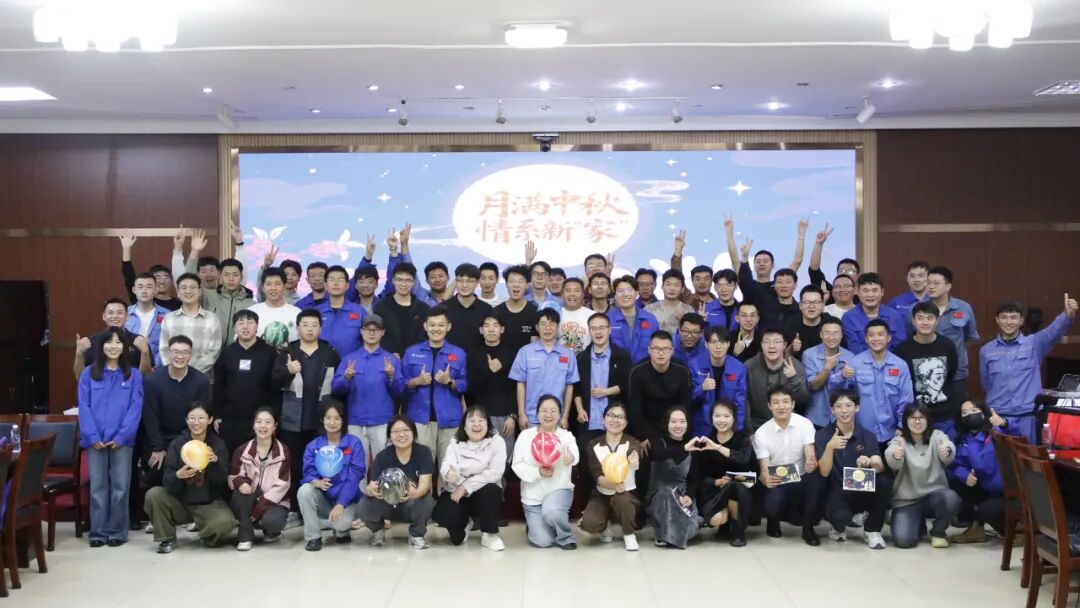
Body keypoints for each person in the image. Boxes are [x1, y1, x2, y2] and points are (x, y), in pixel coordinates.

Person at [980, 294, 1078, 442]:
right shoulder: (986, 351)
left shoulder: (1034, 344)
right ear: (997, 320)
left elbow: (1054, 331)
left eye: (1013, 317)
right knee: (999, 456)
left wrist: (1067, 315)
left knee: (1029, 455)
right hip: (998, 415)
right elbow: (986, 382)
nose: (1008, 322)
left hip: (1028, 417)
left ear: (1021, 321)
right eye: (1004, 317)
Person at [78, 328, 143, 547]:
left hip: (122, 441)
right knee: (97, 487)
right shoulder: (88, 374)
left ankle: (117, 531)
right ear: (101, 346)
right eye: (109, 342)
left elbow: (135, 407)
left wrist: (123, 436)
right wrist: (92, 435)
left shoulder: (134, 375)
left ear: (125, 347)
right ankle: (97, 532)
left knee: (120, 487)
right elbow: (84, 407)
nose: (113, 346)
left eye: (118, 342)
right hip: (94, 439)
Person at [144, 401, 236, 553]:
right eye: (192, 418)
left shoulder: (217, 444)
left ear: (210, 420)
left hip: (208, 504)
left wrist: (215, 463)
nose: (196, 422)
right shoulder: (177, 444)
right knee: (154, 495)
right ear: (186, 420)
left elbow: (223, 480)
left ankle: (206, 534)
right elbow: (167, 480)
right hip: (181, 502)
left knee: (225, 523)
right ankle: (167, 538)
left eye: (201, 418)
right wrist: (178, 475)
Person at [273, 309, 340, 509]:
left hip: (321, 421)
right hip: (293, 421)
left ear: (320, 328)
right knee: (294, 465)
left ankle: (321, 509)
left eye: (314, 325)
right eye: (305, 325)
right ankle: (295, 508)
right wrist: (288, 371)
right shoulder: (287, 352)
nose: (309, 329)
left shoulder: (330, 353)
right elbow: (273, 382)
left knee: (322, 466)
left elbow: (338, 387)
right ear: (298, 327)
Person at [813, 390, 890, 549]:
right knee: (840, 517)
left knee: (884, 482)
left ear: (857, 408)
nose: (844, 410)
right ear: (832, 410)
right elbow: (824, 472)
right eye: (839, 406)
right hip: (836, 491)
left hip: (861, 488)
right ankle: (838, 526)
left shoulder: (868, 435)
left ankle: (872, 530)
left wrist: (872, 462)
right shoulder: (823, 435)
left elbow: (880, 466)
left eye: (848, 405)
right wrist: (829, 448)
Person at [431, 405, 507, 551]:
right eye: (471, 420)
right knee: (445, 518)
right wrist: (449, 474)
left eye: (481, 420)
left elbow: (494, 473)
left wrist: (466, 487)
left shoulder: (497, 442)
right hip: (456, 490)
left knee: (491, 489)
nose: (476, 424)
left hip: (483, 492)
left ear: (488, 424)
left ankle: (489, 534)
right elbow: (447, 465)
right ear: (464, 426)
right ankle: (465, 524)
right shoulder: (455, 443)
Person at [332, 314, 404, 466]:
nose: (371, 333)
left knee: (384, 467)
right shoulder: (349, 359)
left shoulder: (391, 360)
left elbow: (400, 391)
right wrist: (346, 377)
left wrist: (391, 376)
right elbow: (336, 389)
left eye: (376, 329)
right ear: (361, 331)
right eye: (367, 329)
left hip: (382, 422)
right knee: (357, 468)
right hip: (355, 422)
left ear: (382, 333)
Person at [753, 387, 821, 545]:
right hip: (778, 481)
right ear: (769, 406)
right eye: (776, 402)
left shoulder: (804, 424)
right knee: (772, 503)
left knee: (816, 481)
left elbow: (810, 454)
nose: (781, 406)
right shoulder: (761, 433)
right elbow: (764, 469)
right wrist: (766, 479)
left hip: (801, 477)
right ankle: (773, 519)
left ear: (793, 404)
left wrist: (811, 463)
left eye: (785, 402)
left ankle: (808, 528)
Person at [887, 403, 961, 548]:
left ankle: (938, 531)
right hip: (906, 502)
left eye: (921, 417)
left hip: (934, 496)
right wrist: (895, 455)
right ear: (906, 421)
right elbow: (892, 459)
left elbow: (948, 448)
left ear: (928, 420)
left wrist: (947, 450)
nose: (917, 422)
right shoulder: (899, 440)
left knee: (951, 498)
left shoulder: (937, 436)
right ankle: (918, 525)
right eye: (912, 418)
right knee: (903, 541)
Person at [141, 336, 211, 490]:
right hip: (160, 438)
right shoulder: (153, 381)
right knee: (156, 470)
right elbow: (150, 416)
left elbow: (201, 417)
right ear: (168, 353)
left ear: (191, 355)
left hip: (188, 438)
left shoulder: (201, 381)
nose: (180, 356)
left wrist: (194, 444)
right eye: (176, 352)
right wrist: (158, 448)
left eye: (185, 352)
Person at [297, 399, 366, 550]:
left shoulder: (354, 443)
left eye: (337, 418)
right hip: (326, 500)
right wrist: (315, 481)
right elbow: (307, 473)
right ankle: (313, 537)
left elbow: (354, 478)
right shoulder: (313, 446)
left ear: (343, 421)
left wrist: (341, 503)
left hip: (349, 502)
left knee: (340, 524)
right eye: (328, 418)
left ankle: (339, 527)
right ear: (322, 420)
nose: (332, 422)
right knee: (304, 491)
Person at [512, 395, 580, 549]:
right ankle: (534, 526)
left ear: (560, 414)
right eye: (544, 410)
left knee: (552, 511)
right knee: (543, 542)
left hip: (558, 489)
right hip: (533, 497)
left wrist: (571, 457)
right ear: (537, 414)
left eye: (553, 411)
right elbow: (517, 465)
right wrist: (538, 473)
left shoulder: (566, 436)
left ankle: (565, 537)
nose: (548, 415)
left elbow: (575, 456)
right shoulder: (525, 436)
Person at [358, 415, 436, 549]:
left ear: (413, 432)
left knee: (426, 500)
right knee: (364, 505)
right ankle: (377, 531)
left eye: (406, 430)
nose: (401, 435)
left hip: (411, 504)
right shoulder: (382, 456)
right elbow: (372, 486)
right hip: (386, 503)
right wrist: (370, 491)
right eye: (396, 431)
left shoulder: (423, 452)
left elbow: (424, 484)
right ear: (390, 435)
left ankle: (416, 535)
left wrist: (416, 493)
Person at [402, 306, 468, 463]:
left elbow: (465, 384)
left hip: (450, 419)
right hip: (419, 419)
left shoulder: (458, 353)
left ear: (448, 327)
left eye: (441, 325)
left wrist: (449, 381)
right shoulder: (411, 352)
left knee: (450, 466)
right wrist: (416, 381)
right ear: (425, 326)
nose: (436, 329)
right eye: (432, 325)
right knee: (422, 466)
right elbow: (400, 385)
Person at [948, 398, 1018, 544]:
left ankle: (1018, 532)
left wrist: (1004, 423)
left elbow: (1016, 434)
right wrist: (965, 476)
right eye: (964, 413)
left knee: (988, 509)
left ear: (984, 412)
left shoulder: (997, 430)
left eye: (974, 410)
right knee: (956, 481)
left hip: (1011, 491)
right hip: (987, 490)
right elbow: (957, 465)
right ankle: (977, 528)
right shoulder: (963, 440)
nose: (970, 415)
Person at [580, 402, 643, 551]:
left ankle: (629, 534)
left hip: (625, 494)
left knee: (623, 499)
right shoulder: (593, 444)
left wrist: (634, 457)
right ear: (603, 419)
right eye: (611, 415)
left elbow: (634, 451)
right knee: (590, 523)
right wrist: (613, 485)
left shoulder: (632, 442)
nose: (615, 420)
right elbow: (597, 475)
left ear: (626, 423)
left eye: (620, 417)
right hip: (602, 493)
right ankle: (604, 525)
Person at [213, 309, 278, 453]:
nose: (245, 327)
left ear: (257, 326)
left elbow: (275, 388)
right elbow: (219, 386)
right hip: (231, 419)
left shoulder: (269, 353)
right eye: (240, 323)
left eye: (250, 322)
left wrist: (274, 416)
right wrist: (217, 415)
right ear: (234, 328)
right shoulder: (227, 353)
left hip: (260, 420)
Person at [227, 408, 291, 551]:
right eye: (259, 422)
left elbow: (282, 484)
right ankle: (245, 537)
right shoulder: (242, 450)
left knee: (272, 522)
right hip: (249, 497)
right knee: (241, 495)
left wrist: (258, 510)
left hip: (275, 501)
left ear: (275, 426)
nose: (263, 426)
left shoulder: (283, 451)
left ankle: (271, 532)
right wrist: (242, 483)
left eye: (268, 422)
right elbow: (233, 476)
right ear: (253, 425)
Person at [894, 301, 960, 437]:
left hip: (944, 415)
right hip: (916, 415)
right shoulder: (902, 350)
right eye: (920, 318)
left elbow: (951, 373)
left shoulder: (947, 345)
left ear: (937, 321)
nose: (925, 323)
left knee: (945, 449)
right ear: (913, 321)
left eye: (930, 318)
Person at [696, 399, 754, 547]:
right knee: (716, 517)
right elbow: (700, 477)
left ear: (734, 418)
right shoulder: (705, 442)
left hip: (742, 492)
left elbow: (743, 459)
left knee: (734, 487)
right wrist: (718, 482)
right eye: (717, 416)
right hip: (716, 492)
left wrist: (718, 447)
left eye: (726, 416)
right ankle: (724, 526)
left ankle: (738, 531)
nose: (721, 420)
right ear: (711, 418)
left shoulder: (743, 439)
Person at [510, 308, 580, 429]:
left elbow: (569, 387)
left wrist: (565, 416)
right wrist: (521, 414)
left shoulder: (568, 354)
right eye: (543, 324)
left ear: (558, 327)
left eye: (552, 324)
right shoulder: (525, 352)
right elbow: (520, 384)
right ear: (537, 327)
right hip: (531, 417)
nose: (547, 328)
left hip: (557, 418)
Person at [850, 320, 915, 446]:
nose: (876, 338)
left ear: (888, 338)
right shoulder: (855, 363)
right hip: (862, 432)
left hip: (893, 433)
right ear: (866, 339)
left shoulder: (900, 365)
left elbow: (906, 399)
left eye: (880, 334)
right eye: (871, 335)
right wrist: (841, 376)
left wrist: (901, 426)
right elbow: (841, 394)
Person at [626, 331, 694, 451]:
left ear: (672, 351)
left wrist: (679, 433)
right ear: (649, 350)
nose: (661, 353)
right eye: (656, 349)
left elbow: (685, 406)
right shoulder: (637, 371)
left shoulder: (682, 371)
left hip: (673, 425)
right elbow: (634, 409)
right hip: (646, 426)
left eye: (665, 349)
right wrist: (641, 436)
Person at [646, 407, 701, 549]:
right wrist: (684, 448)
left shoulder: (693, 446)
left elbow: (694, 477)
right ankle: (664, 535)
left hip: (682, 493)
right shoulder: (657, 441)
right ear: (667, 423)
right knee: (666, 493)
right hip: (659, 493)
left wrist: (689, 495)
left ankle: (677, 532)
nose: (678, 425)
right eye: (674, 421)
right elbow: (658, 454)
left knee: (692, 526)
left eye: (682, 421)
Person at [467, 313, 517, 459]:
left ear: (502, 329)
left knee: (503, 460)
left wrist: (513, 416)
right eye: (487, 325)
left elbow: (516, 387)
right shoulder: (473, 353)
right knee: (480, 459)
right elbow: (470, 388)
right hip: (481, 416)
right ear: (481, 330)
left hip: (505, 416)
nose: (491, 329)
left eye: (495, 325)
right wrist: (490, 372)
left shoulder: (512, 352)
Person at [926, 266, 979, 399]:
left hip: (956, 373)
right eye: (929, 283)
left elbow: (971, 337)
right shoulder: (918, 309)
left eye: (936, 283)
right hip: (927, 372)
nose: (931, 287)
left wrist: (957, 351)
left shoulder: (964, 308)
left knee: (956, 408)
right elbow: (912, 335)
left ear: (948, 286)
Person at [744, 328, 811, 432]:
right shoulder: (750, 366)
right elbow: (745, 400)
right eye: (767, 342)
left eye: (777, 342)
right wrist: (748, 430)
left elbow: (803, 400)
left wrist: (794, 378)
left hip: (788, 424)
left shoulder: (795, 365)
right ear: (761, 345)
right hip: (757, 425)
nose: (772, 346)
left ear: (784, 345)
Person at [158, 273, 222, 379]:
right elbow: (164, 349)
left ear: (200, 291)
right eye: (184, 288)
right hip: (173, 378)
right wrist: (176, 370)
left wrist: (191, 374)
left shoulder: (212, 319)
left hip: (202, 378)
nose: (188, 291)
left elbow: (214, 351)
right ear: (178, 292)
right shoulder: (169, 318)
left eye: (192, 287)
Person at [689, 326, 748, 435]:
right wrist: (702, 388)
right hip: (701, 427)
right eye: (713, 342)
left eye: (722, 342)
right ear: (706, 344)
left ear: (728, 344)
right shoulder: (694, 364)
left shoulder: (738, 368)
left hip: (728, 426)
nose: (718, 346)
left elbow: (740, 402)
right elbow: (688, 399)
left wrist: (737, 430)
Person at [74, 298, 151, 380]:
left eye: (119, 313)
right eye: (110, 313)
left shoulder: (138, 340)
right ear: (104, 316)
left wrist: (145, 352)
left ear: (127, 316)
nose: (115, 316)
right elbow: (80, 377)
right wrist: (79, 354)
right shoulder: (91, 341)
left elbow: (145, 376)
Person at [802, 317, 856, 428]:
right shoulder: (809, 354)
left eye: (836, 333)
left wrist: (844, 377)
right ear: (821, 335)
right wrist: (827, 369)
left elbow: (851, 390)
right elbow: (813, 386)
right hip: (816, 417)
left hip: (842, 416)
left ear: (841, 335)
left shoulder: (850, 356)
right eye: (827, 333)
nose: (831, 337)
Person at [724, 216, 807, 286]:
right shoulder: (747, 284)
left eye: (765, 261)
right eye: (758, 261)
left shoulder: (779, 287)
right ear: (754, 266)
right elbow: (734, 258)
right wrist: (729, 233)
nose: (761, 264)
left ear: (773, 265)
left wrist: (801, 235)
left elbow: (797, 261)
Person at [374, 262, 430, 358]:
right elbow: (376, 335)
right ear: (393, 281)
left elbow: (426, 338)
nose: (403, 284)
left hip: (416, 359)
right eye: (399, 280)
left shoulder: (423, 309)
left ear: (414, 282)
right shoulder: (381, 307)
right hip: (387, 359)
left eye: (408, 280)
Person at [841, 273, 907, 354]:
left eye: (874, 290)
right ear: (857, 292)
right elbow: (854, 347)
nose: (870, 295)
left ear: (882, 292)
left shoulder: (894, 316)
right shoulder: (848, 317)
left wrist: (884, 359)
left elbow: (899, 346)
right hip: (860, 361)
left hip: (890, 361)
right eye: (865, 290)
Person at [119, 230, 180, 311]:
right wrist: (126, 248)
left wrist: (179, 247)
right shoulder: (143, 299)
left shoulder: (179, 304)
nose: (162, 281)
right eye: (157, 277)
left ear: (171, 281)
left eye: (165, 277)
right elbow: (128, 276)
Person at [315, 264, 367, 359]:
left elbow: (369, 342)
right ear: (325, 285)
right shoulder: (316, 312)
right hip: (321, 365)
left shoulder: (360, 312)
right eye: (332, 279)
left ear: (347, 286)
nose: (336, 283)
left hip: (352, 365)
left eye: (340, 280)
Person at [200, 257, 255, 346]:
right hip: (212, 351)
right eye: (226, 275)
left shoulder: (251, 304)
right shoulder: (209, 297)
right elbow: (189, 280)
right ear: (220, 276)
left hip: (239, 352)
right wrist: (194, 252)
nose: (231, 279)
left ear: (241, 277)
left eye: (235, 275)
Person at [609, 275, 660, 364]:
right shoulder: (608, 320)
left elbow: (657, 347)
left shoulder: (650, 319)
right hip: (616, 369)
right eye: (620, 291)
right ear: (615, 296)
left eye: (629, 290)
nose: (625, 294)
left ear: (636, 293)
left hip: (644, 369)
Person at [444, 263, 493, 354]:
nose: (464, 285)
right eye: (460, 280)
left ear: (477, 283)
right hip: (449, 360)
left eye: (470, 281)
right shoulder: (444, 308)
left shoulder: (487, 309)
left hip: (479, 360)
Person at [124, 270, 170, 367]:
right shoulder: (125, 313)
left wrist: (155, 367)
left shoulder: (167, 315)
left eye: (149, 287)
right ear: (134, 290)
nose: (144, 291)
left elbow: (168, 344)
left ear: (156, 290)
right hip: (128, 367)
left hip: (156, 368)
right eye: (140, 287)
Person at [247, 268, 301, 350]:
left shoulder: (296, 313)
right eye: (268, 284)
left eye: (277, 284)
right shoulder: (251, 312)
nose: (273, 288)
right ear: (262, 288)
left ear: (284, 286)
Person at [493, 264, 539, 353]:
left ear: (527, 285)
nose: (516, 285)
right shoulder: (496, 312)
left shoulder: (534, 312)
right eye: (512, 281)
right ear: (506, 284)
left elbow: (534, 346)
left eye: (520, 281)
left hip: (525, 361)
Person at [784, 285, 829, 360]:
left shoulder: (831, 324)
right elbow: (781, 356)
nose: (811, 306)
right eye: (807, 302)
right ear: (800, 305)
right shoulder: (789, 325)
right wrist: (791, 348)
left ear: (822, 305)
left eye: (816, 302)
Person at [646, 269, 695, 335]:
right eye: (668, 284)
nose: (672, 289)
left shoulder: (689, 311)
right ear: (662, 286)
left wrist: (683, 321)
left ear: (682, 289)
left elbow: (694, 335)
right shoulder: (649, 310)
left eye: (676, 285)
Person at [557, 277, 594, 354]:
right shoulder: (555, 314)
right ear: (562, 294)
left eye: (577, 290)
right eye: (568, 290)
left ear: (583, 294)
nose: (572, 294)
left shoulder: (593, 315)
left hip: (585, 359)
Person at [703, 269, 740, 333]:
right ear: (715, 287)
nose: (724, 289)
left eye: (728, 285)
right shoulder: (706, 310)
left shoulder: (742, 309)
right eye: (720, 286)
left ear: (736, 286)